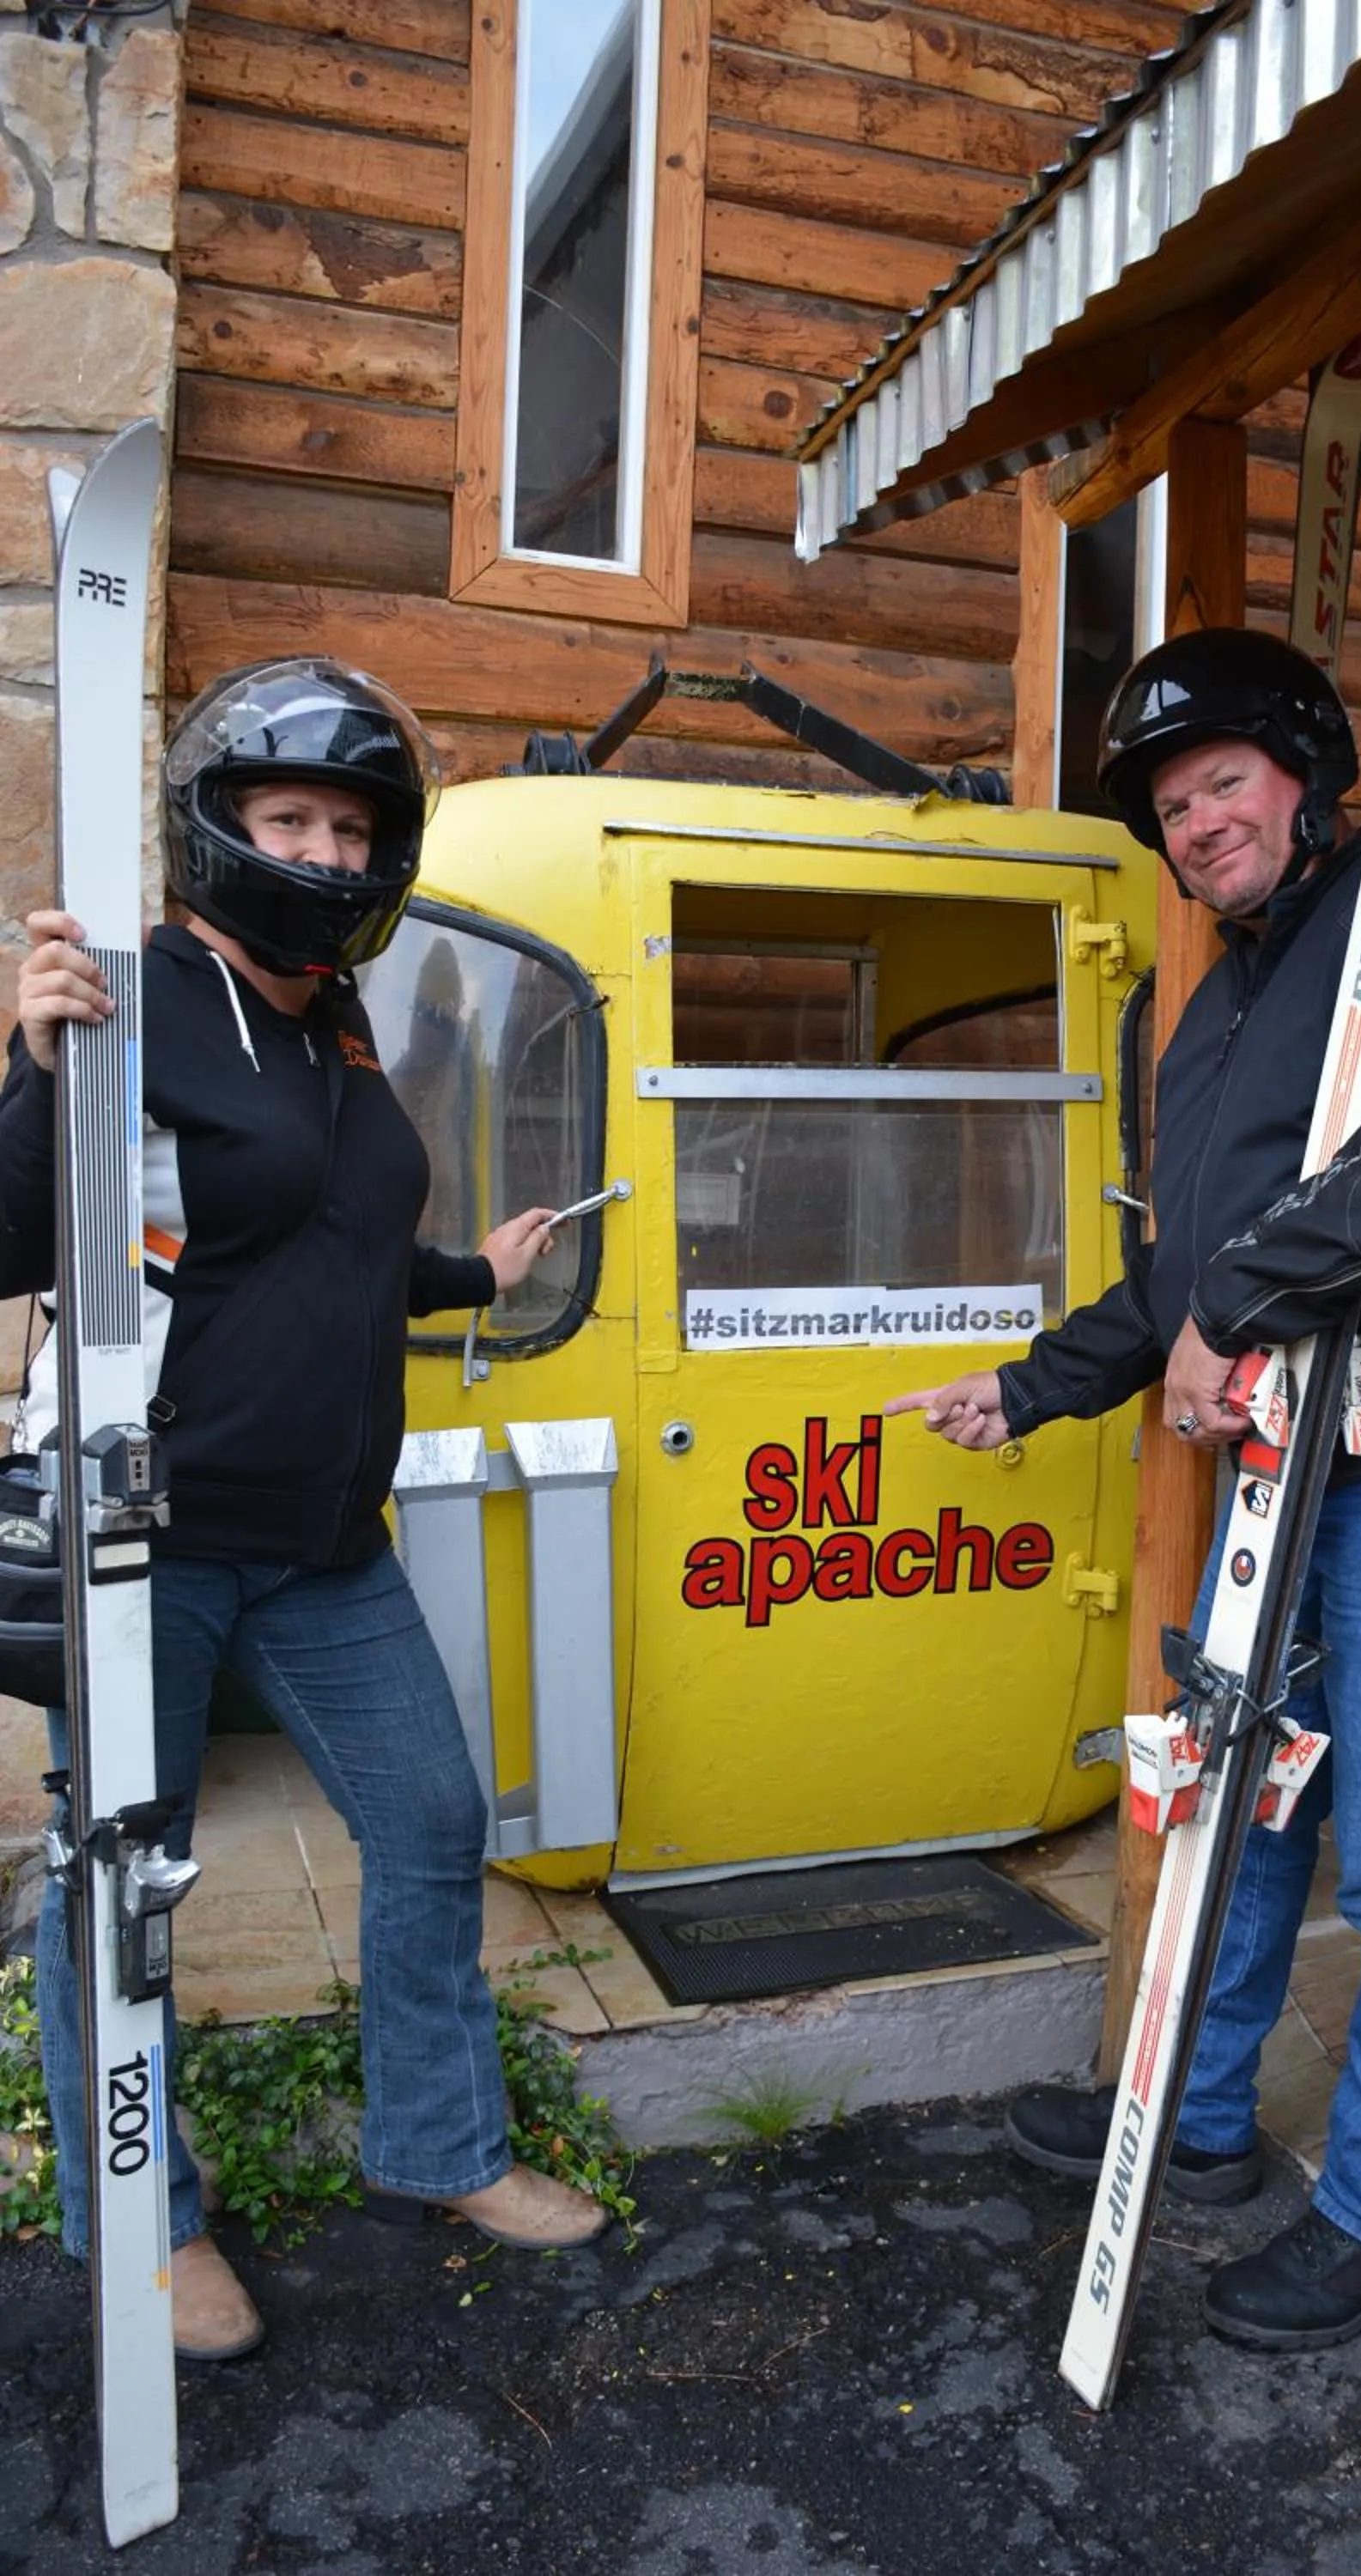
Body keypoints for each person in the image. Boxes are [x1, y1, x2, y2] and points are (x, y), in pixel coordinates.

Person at [887, 629, 1361, 2353]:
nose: (1194, 824)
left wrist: (1242, 1302)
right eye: (1167, 805)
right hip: (1301, 1474)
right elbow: (1187, 1269)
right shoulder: (1216, 1002)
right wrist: (1035, 1380)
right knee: (1248, 1806)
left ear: (1303, 769)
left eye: (1219, 782)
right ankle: (1192, 2122)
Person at [0, 658, 609, 2363]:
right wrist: (37, 1070)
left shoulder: (337, 1022)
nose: (326, 853)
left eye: (353, 826)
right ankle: (144, 2217)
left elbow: (303, 1241)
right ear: (222, 826)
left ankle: (439, 2149)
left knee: (428, 1822)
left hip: (330, 1544)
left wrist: (463, 1274)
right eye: (291, 818)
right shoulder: (136, 1002)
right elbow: (18, 1241)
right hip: (160, 1536)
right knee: (116, 1882)